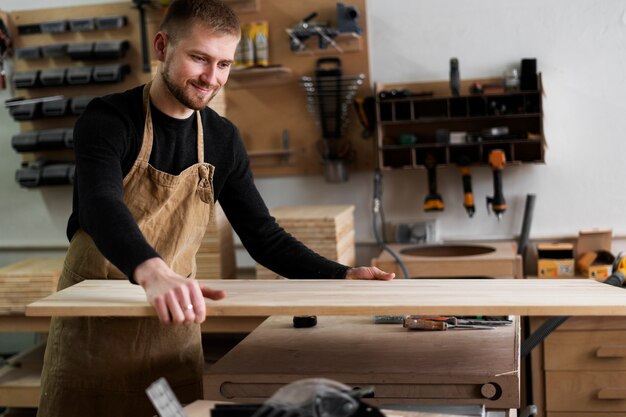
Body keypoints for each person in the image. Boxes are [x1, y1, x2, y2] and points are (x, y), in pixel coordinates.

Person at [37, 0, 394, 416]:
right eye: (199, 58)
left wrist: (342, 275)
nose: (211, 78)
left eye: (224, 64)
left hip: (174, 326)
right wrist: (153, 272)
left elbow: (263, 236)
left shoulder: (222, 139)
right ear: (161, 46)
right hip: (93, 326)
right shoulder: (109, 119)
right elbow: (100, 204)